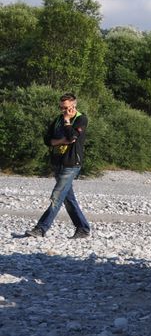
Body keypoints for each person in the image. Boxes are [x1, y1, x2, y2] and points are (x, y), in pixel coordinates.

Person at [24, 93, 92, 239]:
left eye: (66, 108)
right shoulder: (57, 120)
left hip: (71, 164)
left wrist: (68, 122)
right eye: (61, 108)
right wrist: (60, 140)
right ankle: (83, 228)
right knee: (68, 199)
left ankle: (40, 229)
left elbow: (72, 137)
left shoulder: (81, 119)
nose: (63, 111)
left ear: (73, 106)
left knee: (57, 197)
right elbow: (47, 139)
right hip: (57, 163)